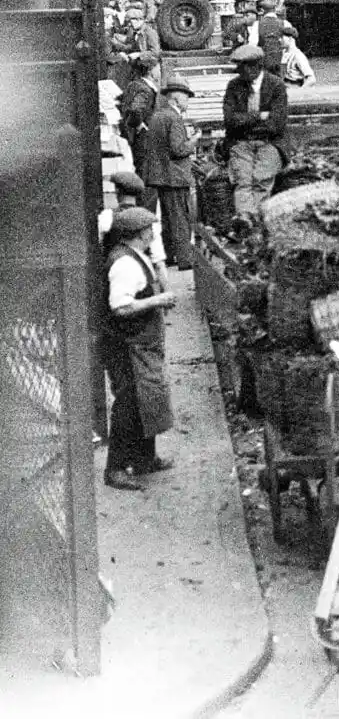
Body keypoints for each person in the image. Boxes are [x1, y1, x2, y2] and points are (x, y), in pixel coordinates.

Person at [101, 206, 177, 491]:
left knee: (149, 398)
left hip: (142, 343)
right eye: (149, 229)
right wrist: (158, 301)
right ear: (139, 234)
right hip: (128, 346)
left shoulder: (136, 255)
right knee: (129, 403)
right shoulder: (124, 263)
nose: (152, 233)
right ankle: (116, 469)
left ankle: (145, 459)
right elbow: (120, 307)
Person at [223, 42, 289, 220]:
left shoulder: (276, 85)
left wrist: (245, 121)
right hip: (241, 142)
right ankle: (245, 219)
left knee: (262, 179)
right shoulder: (234, 86)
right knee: (242, 180)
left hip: (269, 142)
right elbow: (230, 121)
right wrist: (259, 116)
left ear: (256, 66)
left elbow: (276, 124)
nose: (238, 72)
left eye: (242, 67)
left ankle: (256, 221)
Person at [142, 78, 198, 270]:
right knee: (181, 218)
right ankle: (185, 259)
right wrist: (194, 141)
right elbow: (178, 149)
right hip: (175, 177)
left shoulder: (156, 116)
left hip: (160, 176)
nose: (188, 101)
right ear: (176, 99)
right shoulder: (174, 118)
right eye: (186, 97)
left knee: (168, 218)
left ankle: (169, 255)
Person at [119, 52, 161, 180]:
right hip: (143, 141)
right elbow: (135, 110)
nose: (160, 71)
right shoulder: (145, 90)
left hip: (131, 138)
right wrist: (140, 127)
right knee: (145, 173)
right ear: (150, 71)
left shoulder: (134, 84)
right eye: (158, 68)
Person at [279, 22, 315, 88]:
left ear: (290, 38)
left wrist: (300, 91)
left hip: (293, 89)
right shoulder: (283, 53)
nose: (279, 40)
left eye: (282, 37)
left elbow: (311, 79)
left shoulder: (298, 56)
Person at [255, 0, 285, 73]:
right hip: (278, 57)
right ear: (274, 10)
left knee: (265, 77)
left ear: (262, 10)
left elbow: (253, 43)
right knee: (277, 77)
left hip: (263, 57)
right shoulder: (282, 23)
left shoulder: (258, 24)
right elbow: (285, 42)